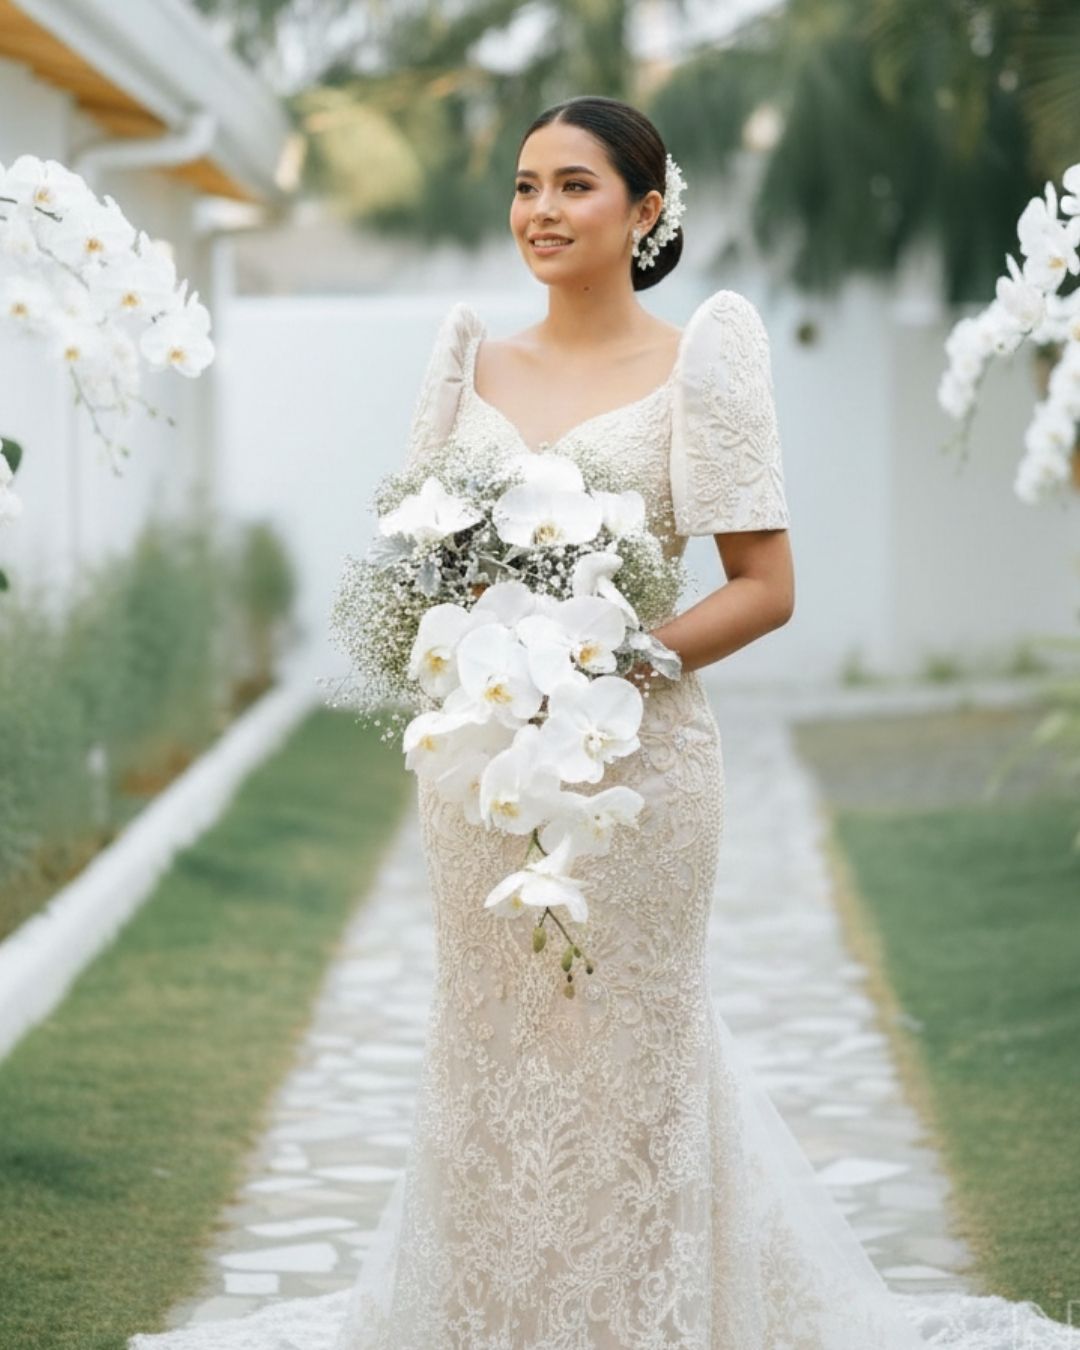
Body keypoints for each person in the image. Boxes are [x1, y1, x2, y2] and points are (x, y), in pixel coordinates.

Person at [129, 95, 1080, 1350]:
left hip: (642, 775)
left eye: (574, 186)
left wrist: (622, 661)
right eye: (526, 186)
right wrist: (473, 643)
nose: (541, 212)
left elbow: (766, 588)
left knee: (632, 1049)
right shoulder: (468, 359)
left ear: (647, 209)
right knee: (492, 1048)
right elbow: (415, 558)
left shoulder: (705, 362)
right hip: (482, 776)